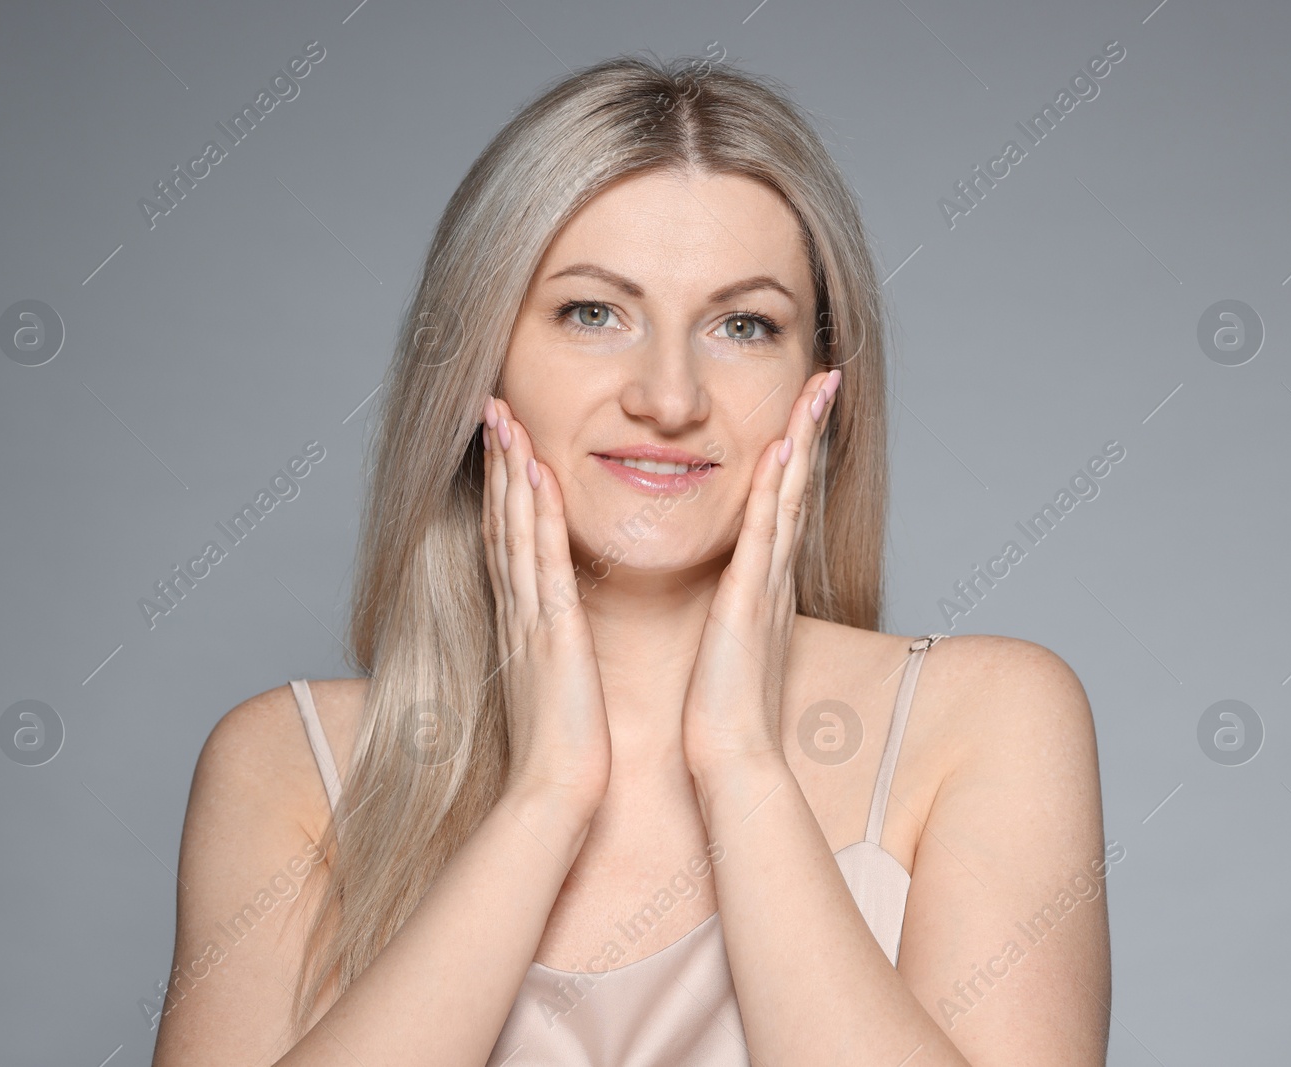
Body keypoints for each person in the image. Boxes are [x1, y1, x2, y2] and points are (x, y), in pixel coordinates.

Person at [151, 52, 1111, 1067]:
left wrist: (742, 767)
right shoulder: (289, 766)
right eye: (592, 312)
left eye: (743, 324)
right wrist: (545, 796)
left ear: (817, 386)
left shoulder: (986, 718)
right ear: (482, 358)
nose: (668, 395)